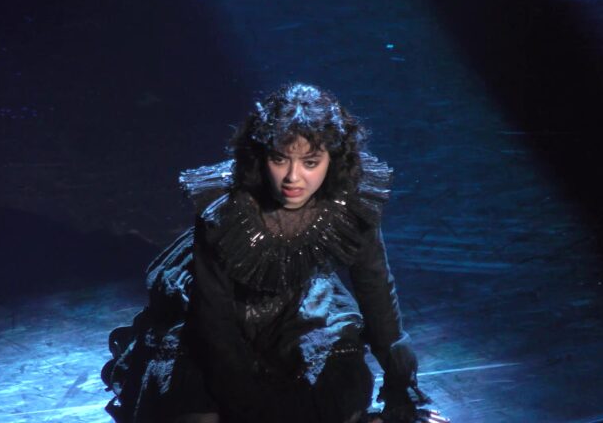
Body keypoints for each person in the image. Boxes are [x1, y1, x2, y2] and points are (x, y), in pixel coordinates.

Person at [101, 83, 447, 423]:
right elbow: (214, 319)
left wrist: (400, 381)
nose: (293, 177)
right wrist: (247, 404)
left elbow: (375, 287)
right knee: (201, 409)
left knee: (331, 400)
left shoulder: (349, 201)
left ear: (332, 160)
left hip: (301, 312)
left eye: (310, 162)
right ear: (262, 155)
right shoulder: (224, 209)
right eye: (280, 159)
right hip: (223, 318)